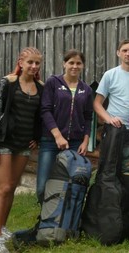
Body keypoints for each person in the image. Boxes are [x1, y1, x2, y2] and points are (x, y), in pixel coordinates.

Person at [0, 47, 44, 253]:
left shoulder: (40, 87)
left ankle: (2, 227)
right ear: (21, 63)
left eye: (37, 63)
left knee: (12, 187)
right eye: (30, 62)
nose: (34, 67)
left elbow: (39, 116)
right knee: (4, 188)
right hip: (4, 142)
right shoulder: (7, 83)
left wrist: (36, 136)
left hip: (24, 144)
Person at [37, 49, 93, 203]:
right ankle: (46, 222)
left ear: (83, 66)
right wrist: (58, 136)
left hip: (75, 143)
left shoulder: (86, 90)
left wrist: (86, 141)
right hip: (51, 141)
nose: (74, 66)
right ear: (64, 64)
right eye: (71, 63)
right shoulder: (53, 83)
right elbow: (45, 110)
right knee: (43, 186)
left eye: (78, 63)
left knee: (72, 185)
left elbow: (88, 117)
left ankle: (64, 222)